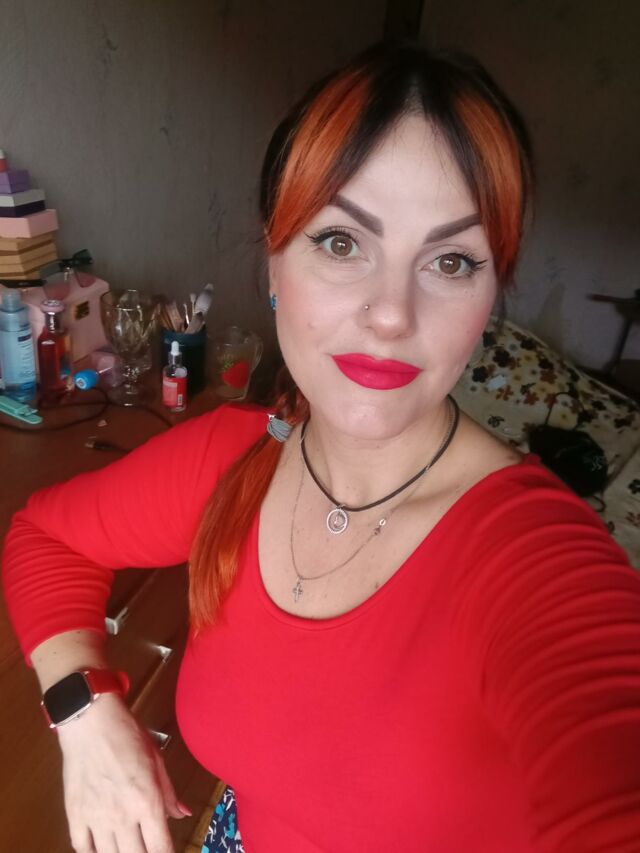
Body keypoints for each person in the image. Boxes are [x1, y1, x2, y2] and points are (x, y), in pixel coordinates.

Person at [3, 41, 640, 853]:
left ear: (491, 295)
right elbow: (45, 537)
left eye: (451, 260)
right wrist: (85, 712)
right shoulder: (237, 455)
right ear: (274, 262)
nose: (391, 314)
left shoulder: (533, 559)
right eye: (341, 242)